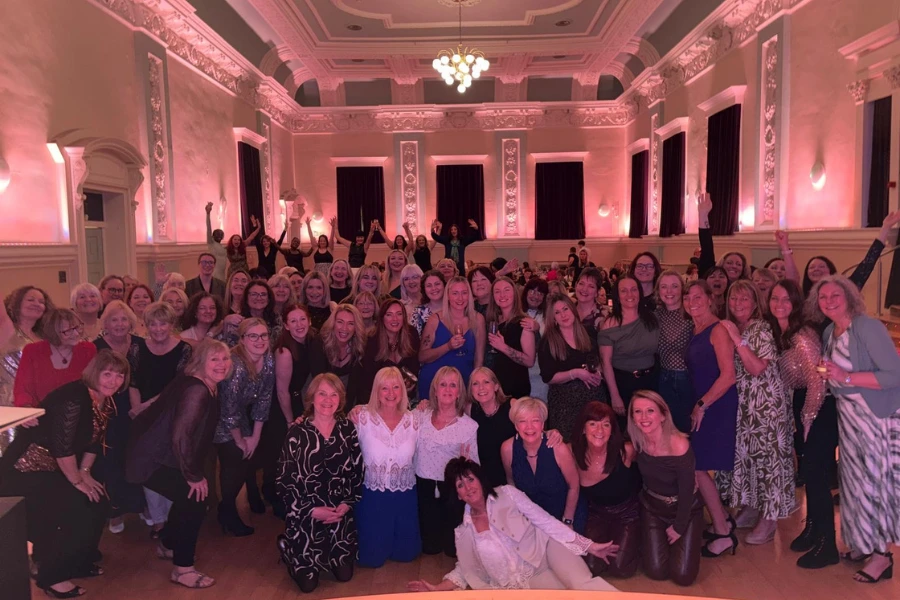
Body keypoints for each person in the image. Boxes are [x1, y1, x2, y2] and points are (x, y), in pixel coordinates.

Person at [0, 350, 129, 598]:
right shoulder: (74, 398)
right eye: (107, 374)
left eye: (119, 375)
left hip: (58, 466)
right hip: (26, 469)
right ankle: (52, 576)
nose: (113, 380)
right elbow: (62, 447)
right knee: (73, 505)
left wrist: (85, 472)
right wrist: (76, 481)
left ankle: (78, 561)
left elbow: (94, 441)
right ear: (94, 373)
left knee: (98, 501)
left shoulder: (105, 399)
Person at [407, 458, 618, 592]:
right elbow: (465, 570)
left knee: (582, 586)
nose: (468, 487)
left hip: (548, 550)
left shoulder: (507, 494)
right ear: (458, 495)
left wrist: (588, 546)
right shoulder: (463, 532)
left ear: (480, 480)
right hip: (524, 584)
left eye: (470, 479)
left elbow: (544, 521)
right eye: (460, 485)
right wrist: (436, 589)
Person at [812, 275, 900, 583]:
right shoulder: (829, 331)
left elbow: (894, 375)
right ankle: (864, 543)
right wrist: (830, 376)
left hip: (876, 418)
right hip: (849, 418)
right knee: (856, 484)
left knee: (877, 485)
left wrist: (846, 377)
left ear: (850, 297)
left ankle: (882, 557)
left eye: (836, 294)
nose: (829, 301)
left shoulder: (868, 327)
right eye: (823, 297)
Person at [126, 338, 233, 589]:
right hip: (149, 458)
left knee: (191, 498)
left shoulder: (204, 384)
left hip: (160, 454)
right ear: (200, 362)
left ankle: (168, 545)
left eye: (225, 358)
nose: (221, 364)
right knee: (194, 497)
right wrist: (193, 475)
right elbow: (181, 436)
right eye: (214, 359)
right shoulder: (196, 389)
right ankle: (183, 569)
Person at [717, 280, 794, 545]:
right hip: (745, 405)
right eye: (734, 299)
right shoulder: (734, 327)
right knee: (748, 458)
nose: (738, 305)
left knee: (768, 461)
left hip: (767, 405)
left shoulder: (760, 328)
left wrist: (737, 340)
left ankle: (769, 518)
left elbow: (758, 368)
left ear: (755, 303)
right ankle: (751, 507)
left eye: (745, 300)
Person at [769, 279, 836, 569]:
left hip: (820, 407)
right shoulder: (782, 333)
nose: (779, 304)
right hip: (802, 404)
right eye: (774, 298)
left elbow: (817, 383)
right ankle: (813, 529)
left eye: (786, 299)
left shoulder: (802, 336)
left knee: (816, 476)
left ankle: (828, 544)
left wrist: (806, 421)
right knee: (809, 475)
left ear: (796, 303)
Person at [277, 373, 363, 593]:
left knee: (345, 576)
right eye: (322, 394)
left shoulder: (347, 429)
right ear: (311, 397)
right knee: (307, 586)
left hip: (338, 515)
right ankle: (288, 547)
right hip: (307, 516)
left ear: (341, 399)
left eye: (334, 394)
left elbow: (357, 471)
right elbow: (285, 482)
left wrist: (347, 504)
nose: (328, 400)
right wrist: (311, 511)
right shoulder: (297, 433)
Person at [683, 280, 739, 557]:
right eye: (687, 298)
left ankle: (723, 531)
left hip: (716, 404)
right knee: (698, 465)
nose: (691, 301)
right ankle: (723, 520)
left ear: (709, 299)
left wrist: (702, 405)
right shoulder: (697, 328)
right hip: (704, 403)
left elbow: (729, 375)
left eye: (697, 296)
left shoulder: (719, 329)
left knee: (697, 466)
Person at [128, 301, 192, 536]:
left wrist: (146, 406)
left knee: (170, 465)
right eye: (152, 324)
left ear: (171, 324)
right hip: (143, 415)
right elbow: (132, 381)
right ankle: (158, 521)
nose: (157, 329)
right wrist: (137, 409)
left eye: (162, 323)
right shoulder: (137, 348)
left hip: (172, 413)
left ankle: (173, 518)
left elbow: (177, 387)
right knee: (149, 467)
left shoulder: (184, 349)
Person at [350, 367, 423, 568]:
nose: (391, 394)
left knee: (406, 555)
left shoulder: (415, 420)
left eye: (396, 387)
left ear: (403, 391)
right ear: (376, 391)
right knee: (370, 559)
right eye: (385, 388)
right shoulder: (362, 418)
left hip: (404, 495)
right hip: (372, 495)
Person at [629, 391, 704, 585]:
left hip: (684, 509)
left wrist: (679, 527)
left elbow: (688, 490)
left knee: (683, 577)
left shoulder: (678, 444)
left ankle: (687, 541)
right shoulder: (636, 440)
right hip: (653, 508)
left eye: (650, 411)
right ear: (632, 417)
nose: (644, 418)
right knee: (656, 571)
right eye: (638, 411)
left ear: (663, 415)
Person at [214, 318, 274, 536]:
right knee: (234, 457)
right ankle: (228, 512)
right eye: (253, 336)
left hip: (242, 419)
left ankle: (225, 510)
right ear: (242, 339)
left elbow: (264, 399)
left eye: (263, 335)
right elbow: (228, 409)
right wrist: (240, 441)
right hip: (217, 418)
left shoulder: (267, 359)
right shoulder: (236, 365)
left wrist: (255, 437)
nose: (259, 340)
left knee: (249, 458)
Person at [572, 401, 642, 578]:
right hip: (596, 514)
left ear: (612, 430)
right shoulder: (572, 453)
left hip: (628, 514)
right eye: (593, 424)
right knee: (590, 568)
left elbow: (655, 457)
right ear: (583, 429)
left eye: (606, 424)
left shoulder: (626, 451)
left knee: (620, 569)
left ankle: (639, 542)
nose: (599, 430)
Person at [415, 366, 479, 557]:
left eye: (453, 385)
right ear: (435, 389)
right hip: (423, 486)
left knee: (453, 551)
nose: (448, 390)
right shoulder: (420, 415)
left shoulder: (468, 426)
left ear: (460, 392)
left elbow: (474, 466)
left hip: (452, 489)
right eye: (443, 385)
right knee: (430, 548)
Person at [93, 302, 145, 534]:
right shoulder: (95, 347)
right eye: (114, 320)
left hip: (136, 408)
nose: (120, 324)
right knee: (110, 460)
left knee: (134, 457)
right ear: (105, 323)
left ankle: (137, 505)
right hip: (108, 409)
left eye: (124, 320)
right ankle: (115, 511)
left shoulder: (140, 344)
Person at [501, 397, 579, 524]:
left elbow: (574, 486)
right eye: (522, 421)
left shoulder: (558, 448)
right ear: (516, 425)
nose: (529, 427)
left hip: (564, 514)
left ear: (542, 424)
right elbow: (511, 482)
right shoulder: (507, 449)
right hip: (530, 518)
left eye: (535, 421)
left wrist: (567, 521)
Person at [539, 293, 606, 442]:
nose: (563, 315)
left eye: (565, 309)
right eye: (557, 312)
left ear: (572, 310)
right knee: (569, 446)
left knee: (596, 442)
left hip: (593, 399)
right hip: (565, 405)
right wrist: (575, 373)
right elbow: (548, 377)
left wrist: (599, 371)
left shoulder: (589, 332)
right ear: (553, 318)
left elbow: (600, 360)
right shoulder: (548, 342)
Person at [598, 276, 659, 427]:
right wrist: (615, 395)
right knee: (626, 432)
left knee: (650, 429)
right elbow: (605, 363)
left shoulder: (653, 318)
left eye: (633, 290)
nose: (630, 295)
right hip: (623, 384)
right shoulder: (609, 325)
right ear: (617, 296)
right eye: (623, 291)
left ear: (640, 292)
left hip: (652, 381)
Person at [14, 309, 97, 408]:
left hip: (79, 415)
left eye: (77, 327)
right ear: (53, 333)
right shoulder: (32, 351)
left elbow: (95, 386)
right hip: (40, 415)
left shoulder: (88, 349)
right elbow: (22, 389)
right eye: (68, 331)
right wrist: (27, 410)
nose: (76, 334)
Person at [418, 276, 485, 398]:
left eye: (464, 293)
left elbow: (479, 359)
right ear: (448, 296)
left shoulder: (478, 319)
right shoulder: (435, 319)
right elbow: (422, 356)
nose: (460, 298)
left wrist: (475, 385)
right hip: (434, 385)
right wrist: (448, 346)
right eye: (455, 293)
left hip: (462, 385)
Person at [655, 270, 694, 433]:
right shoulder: (655, 316)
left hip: (688, 380)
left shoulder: (692, 314)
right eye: (664, 287)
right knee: (667, 430)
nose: (669, 292)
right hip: (663, 378)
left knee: (687, 428)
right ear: (658, 291)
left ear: (682, 289)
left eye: (674, 286)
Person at [486, 276, 536, 399]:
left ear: (514, 293)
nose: (502, 295)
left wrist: (503, 347)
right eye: (497, 291)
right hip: (497, 390)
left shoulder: (524, 323)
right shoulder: (495, 322)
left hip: (516, 390)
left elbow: (529, 361)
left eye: (506, 290)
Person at [361, 299, 420, 404]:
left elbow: (414, 369)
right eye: (389, 315)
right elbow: (368, 381)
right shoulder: (371, 340)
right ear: (382, 318)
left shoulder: (411, 334)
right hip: (377, 399)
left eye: (399, 314)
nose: (395, 319)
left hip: (407, 398)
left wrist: (407, 386)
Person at [467, 367, 516, 487]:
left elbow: (535, 421)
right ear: (471, 390)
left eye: (486, 382)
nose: (481, 388)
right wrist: (425, 404)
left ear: (496, 386)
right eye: (475, 383)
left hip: (515, 476)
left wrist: (551, 433)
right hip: (487, 480)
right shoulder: (470, 410)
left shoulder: (512, 406)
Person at [316, 305, 366, 409]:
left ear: (356, 327)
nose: (344, 328)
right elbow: (319, 382)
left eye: (351, 324)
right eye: (340, 322)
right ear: (333, 323)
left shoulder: (359, 347)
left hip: (346, 402)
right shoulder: (319, 343)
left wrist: (345, 414)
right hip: (319, 398)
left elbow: (353, 387)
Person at [522, 278, 550, 402]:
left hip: (539, 374)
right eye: (532, 291)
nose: (535, 296)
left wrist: (537, 330)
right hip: (520, 372)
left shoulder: (548, 318)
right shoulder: (517, 313)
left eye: (540, 293)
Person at [573, 268, 607, 338]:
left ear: (597, 292)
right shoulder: (567, 310)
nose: (584, 289)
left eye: (591, 286)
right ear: (576, 285)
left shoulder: (604, 317)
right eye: (581, 284)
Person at [410, 270, 445, 336]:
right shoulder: (418, 312)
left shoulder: (454, 308)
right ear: (424, 290)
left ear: (444, 285)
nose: (434, 288)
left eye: (437, 284)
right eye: (429, 286)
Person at [205, 201, 228, 280]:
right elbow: (208, 228)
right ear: (213, 236)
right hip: (215, 273)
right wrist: (208, 214)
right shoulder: (211, 243)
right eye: (217, 234)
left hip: (223, 274)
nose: (219, 236)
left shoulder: (223, 247)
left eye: (221, 234)